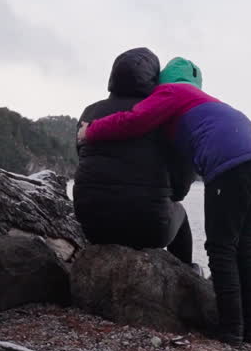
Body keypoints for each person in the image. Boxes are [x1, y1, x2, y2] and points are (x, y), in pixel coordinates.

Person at [78, 57, 251, 347]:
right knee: (246, 245)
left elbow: (133, 120)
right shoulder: (201, 99)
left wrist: (89, 131)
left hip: (229, 165)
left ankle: (232, 331)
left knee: (221, 247)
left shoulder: (170, 93)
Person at [73, 48, 196, 265]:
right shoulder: (162, 115)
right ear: (153, 80)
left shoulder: (89, 112)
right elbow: (181, 181)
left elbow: (81, 155)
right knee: (180, 214)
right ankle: (187, 277)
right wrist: (173, 195)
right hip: (148, 229)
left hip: (93, 225)